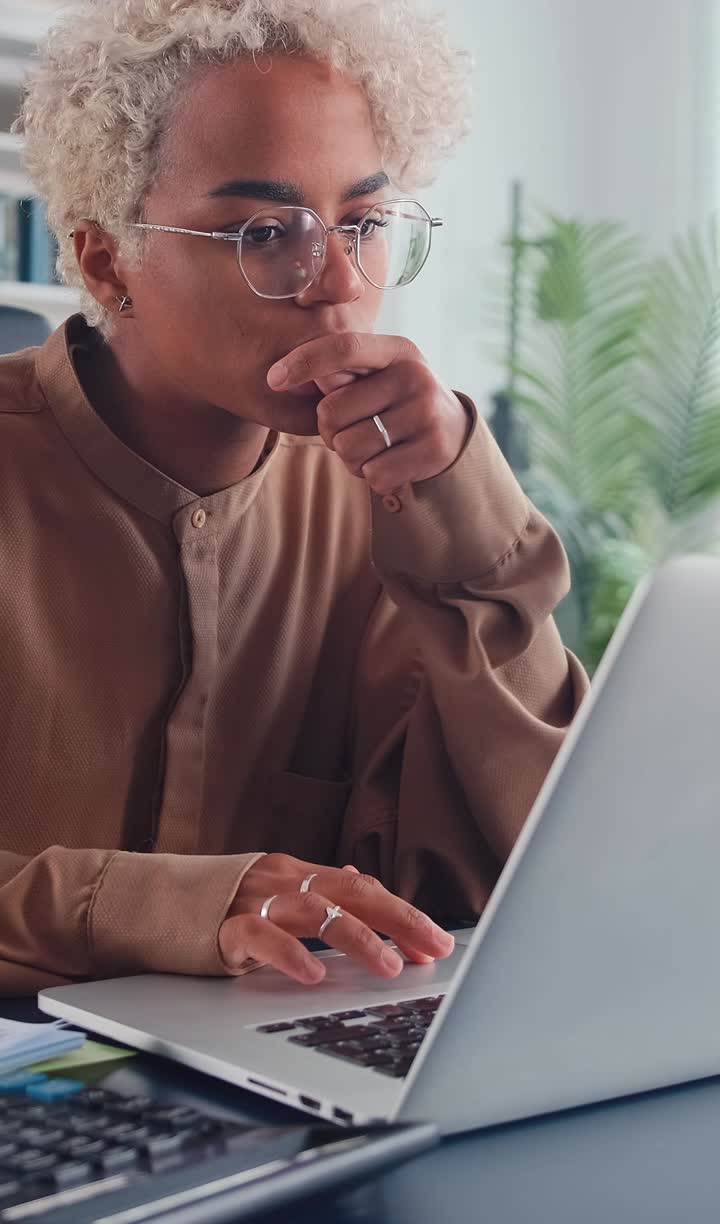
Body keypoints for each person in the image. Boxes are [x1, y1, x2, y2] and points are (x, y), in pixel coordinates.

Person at [0, 0, 588, 998]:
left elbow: (539, 861)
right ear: (107, 261)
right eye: (268, 232)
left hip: (286, 1087)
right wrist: (178, 904)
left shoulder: (396, 506)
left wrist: (462, 511)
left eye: (362, 223)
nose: (336, 285)